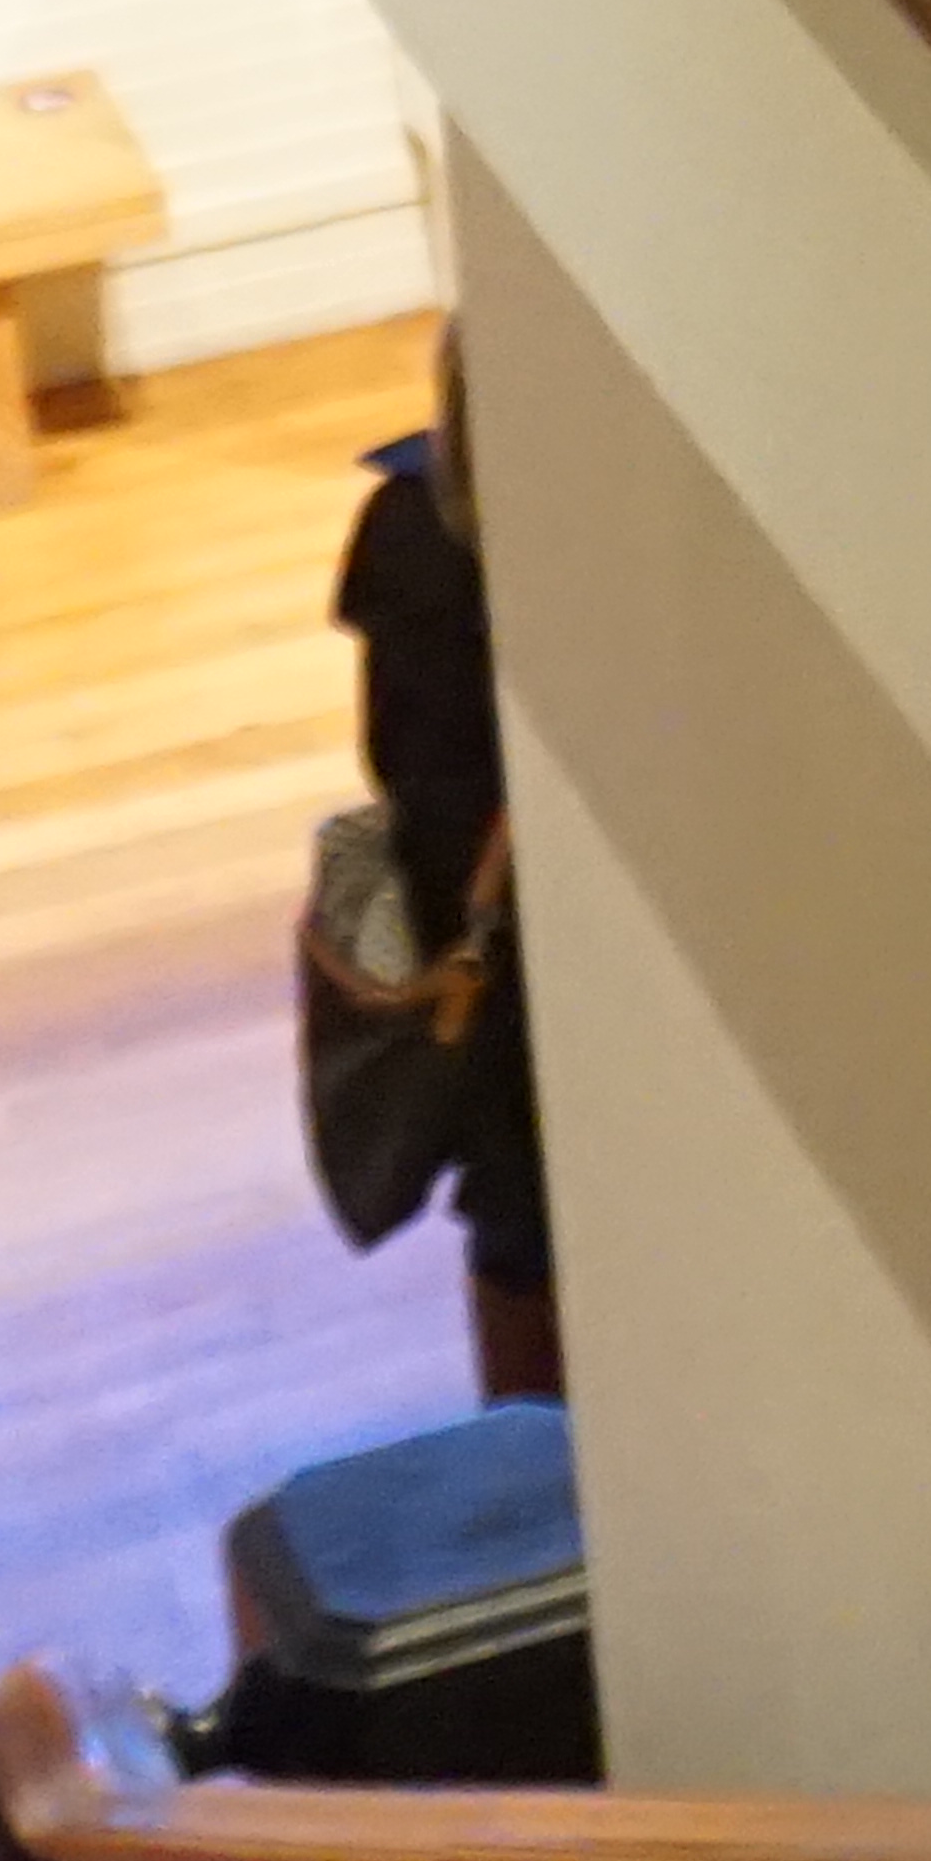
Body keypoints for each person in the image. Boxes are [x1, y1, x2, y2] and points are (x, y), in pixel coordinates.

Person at [331, 326, 562, 1402]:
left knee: (510, 1192)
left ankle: (524, 1449)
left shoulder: (409, 524)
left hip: (468, 905)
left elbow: (397, 754)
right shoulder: (565, 554)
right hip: (530, 915)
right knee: (522, 1193)